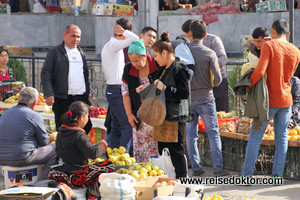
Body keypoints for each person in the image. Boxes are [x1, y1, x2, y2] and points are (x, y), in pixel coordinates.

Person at [240, 19, 300, 178]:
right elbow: (291, 75)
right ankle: (277, 176)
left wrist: (246, 83)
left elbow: (260, 72)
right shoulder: (295, 50)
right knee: (281, 139)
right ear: (287, 33)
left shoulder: (269, 45)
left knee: (255, 138)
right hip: (286, 100)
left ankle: (246, 176)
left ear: (272, 31)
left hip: (268, 101)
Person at [185, 20, 228, 177]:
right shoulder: (210, 53)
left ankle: (196, 167)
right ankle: (218, 170)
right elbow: (218, 81)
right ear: (204, 34)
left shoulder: (182, 51)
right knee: (213, 134)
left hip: (188, 99)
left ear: (189, 33)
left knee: (191, 134)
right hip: (206, 98)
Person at [151, 31, 192, 178]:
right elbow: (156, 84)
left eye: (156, 56)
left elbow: (184, 93)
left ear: (164, 53)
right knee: (163, 152)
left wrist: (165, 88)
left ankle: (182, 182)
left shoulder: (180, 68)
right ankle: (168, 181)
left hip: (175, 116)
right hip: (162, 115)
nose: (155, 59)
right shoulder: (162, 68)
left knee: (176, 151)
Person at [49, 101, 114, 189]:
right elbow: (93, 153)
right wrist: (103, 145)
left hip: (59, 173)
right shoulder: (78, 134)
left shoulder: (62, 131)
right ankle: (94, 194)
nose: (88, 119)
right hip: (75, 176)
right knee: (108, 165)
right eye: (87, 116)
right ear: (82, 118)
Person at [41, 24, 92, 134]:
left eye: (78, 37)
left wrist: (88, 91)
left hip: (81, 98)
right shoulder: (55, 52)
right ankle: (63, 151)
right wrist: (49, 93)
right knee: (63, 129)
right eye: (73, 36)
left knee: (86, 127)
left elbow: (85, 74)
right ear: (65, 35)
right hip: (63, 98)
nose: (76, 39)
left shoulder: (81, 52)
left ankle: (79, 150)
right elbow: (46, 73)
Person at [0, 87, 57, 179]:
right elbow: (44, 142)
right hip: (20, 158)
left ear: (19, 99)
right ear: (35, 102)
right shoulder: (34, 116)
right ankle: (44, 182)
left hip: (1, 157)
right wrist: (52, 137)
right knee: (55, 149)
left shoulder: (5, 113)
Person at [101, 18, 139, 153]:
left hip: (116, 90)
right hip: (116, 91)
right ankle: (125, 158)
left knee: (115, 127)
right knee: (127, 126)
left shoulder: (113, 46)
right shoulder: (113, 45)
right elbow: (135, 39)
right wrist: (124, 32)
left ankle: (113, 159)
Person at [122, 39, 159, 163]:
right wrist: (129, 115)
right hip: (139, 118)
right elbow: (125, 94)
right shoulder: (128, 69)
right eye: (132, 61)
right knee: (141, 154)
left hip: (158, 117)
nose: (134, 64)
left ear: (145, 55)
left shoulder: (157, 65)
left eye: (137, 60)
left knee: (157, 153)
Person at [182, 19, 229, 112]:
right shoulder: (186, 45)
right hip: (200, 84)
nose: (189, 38)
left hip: (218, 80)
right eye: (187, 36)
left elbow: (223, 58)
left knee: (221, 110)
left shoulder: (213, 40)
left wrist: (212, 69)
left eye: (189, 35)